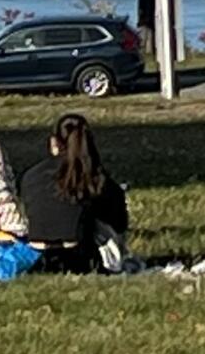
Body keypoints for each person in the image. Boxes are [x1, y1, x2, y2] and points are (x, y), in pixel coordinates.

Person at [15, 112, 132, 273]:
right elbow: (119, 223)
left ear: (54, 143)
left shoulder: (31, 176)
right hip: (80, 256)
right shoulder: (94, 178)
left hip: (37, 255)